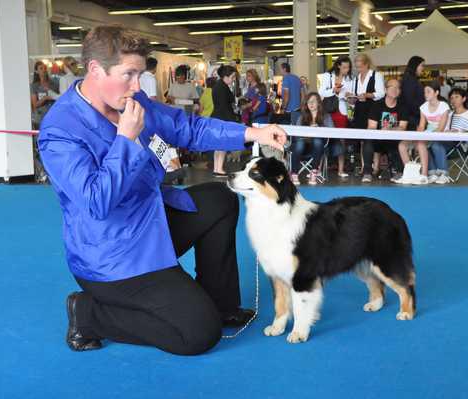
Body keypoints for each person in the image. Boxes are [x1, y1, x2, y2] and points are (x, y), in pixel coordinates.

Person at [37, 26, 287, 356]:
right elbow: (96, 202)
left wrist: (254, 133)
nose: (137, 86)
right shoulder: (60, 131)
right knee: (198, 334)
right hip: (112, 258)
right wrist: (125, 140)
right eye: (128, 74)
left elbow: (188, 128)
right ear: (96, 70)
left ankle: (221, 303)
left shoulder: (133, 100)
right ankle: (89, 314)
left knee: (219, 198)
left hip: (150, 223)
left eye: (139, 74)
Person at [397, 80, 449, 185]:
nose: (425, 94)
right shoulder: (423, 107)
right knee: (402, 145)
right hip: (427, 134)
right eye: (425, 92)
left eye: (428, 91)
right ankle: (411, 175)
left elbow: (441, 128)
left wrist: (422, 137)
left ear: (436, 93)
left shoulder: (444, 106)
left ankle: (427, 175)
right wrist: (416, 136)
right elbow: (421, 126)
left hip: (443, 135)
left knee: (421, 143)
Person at [429, 87, 468, 184]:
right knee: (426, 145)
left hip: (461, 144)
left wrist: (458, 131)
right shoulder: (450, 114)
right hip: (447, 140)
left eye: (456, 97)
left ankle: (444, 174)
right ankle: (433, 173)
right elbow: (443, 128)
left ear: (463, 99)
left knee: (435, 145)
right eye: (451, 98)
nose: (453, 100)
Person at [362, 79, 407, 183]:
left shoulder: (403, 107)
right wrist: (382, 132)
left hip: (393, 140)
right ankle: (367, 172)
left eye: (397, 87)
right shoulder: (377, 105)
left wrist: (389, 129)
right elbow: (371, 127)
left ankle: (398, 172)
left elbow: (402, 128)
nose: (395, 89)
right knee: (368, 141)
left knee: (400, 143)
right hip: (378, 139)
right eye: (392, 87)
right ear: (386, 90)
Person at [290, 92, 335, 186]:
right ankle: (294, 173)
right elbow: (296, 134)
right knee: (299, 144)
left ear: (319, 103)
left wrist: (319, 129)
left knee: (317, 140)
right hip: (303, 144)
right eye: (308, 102)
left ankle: (314, 172)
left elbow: (332, 131)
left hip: (318, 147)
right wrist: (308, 131)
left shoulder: (326, 116)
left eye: (313, 101)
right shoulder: (302, 117)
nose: (310, 104)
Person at [319, 55, 352, 178]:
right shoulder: (328, 76)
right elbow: (321, 92)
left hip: (342, 110)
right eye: (344, 67)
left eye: (348, 67)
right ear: (338, 65)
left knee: (341, 139)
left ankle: (341, 169)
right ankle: (319, 167)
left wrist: (348, 95)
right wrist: (334, 90)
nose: (346, 70)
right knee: (324, 138)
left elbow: (347, 94)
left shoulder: (349, 78)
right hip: (328, 110)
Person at [211, 65, 238, 177]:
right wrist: (232, 121)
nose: (233, 79)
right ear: (225, 76)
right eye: (232, 77)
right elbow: (224, 107)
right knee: (222, 145)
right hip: (223, 118)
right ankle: (219, 169)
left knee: (218, 146)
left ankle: (217, 168)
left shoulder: (218, 86)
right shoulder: (222, 88)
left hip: (217, 117)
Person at [399, 56, 426, 132]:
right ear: (415, 65)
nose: (423, 68)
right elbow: (409, 101)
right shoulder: (410, 79)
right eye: (422, 65)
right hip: (412, 119)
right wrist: (421, 113)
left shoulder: (411, 79)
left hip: (412, 117)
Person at [30, 61, 59, 127]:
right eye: (41, 68)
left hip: (53, 115)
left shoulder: (53, 84)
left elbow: (59, 98)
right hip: (40, 117)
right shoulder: (34, 86)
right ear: (36, 71)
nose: (44, 70)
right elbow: (35, 105)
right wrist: (45, 98)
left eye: (45, 68)